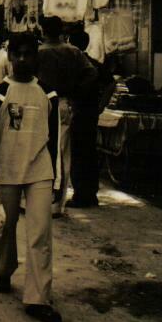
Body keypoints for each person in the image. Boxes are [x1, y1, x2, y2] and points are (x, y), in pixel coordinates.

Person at [0, 32, 63, 322]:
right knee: (5, 226)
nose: (23, 59)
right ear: (11, 57)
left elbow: (55, 142)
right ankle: (4, 270)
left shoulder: (48, 94)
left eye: (29, 54)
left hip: (39, 171)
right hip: (7, 170)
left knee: (40, 234)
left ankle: (37, 298)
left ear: (36, 57)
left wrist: (57, 182)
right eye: (18, 54)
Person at [37, 16, 97, 216]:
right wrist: (76, 91)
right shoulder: (73, 52)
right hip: (64, 102)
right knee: (62, 153)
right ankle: (56, 204)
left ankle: (37, 199)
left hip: (39, 102)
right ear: (61, 31)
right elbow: (91, 74)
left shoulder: (38, 53)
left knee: (38, 149)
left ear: (43, 31)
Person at [67, 31, 114, 208]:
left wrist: (100, 105)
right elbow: (111, 83)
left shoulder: (76, 64)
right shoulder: (93, 62)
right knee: (89, 152)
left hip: (79, 111)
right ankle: (90, 194)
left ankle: (81, 195)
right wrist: (101, 105)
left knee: (79, 153)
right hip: (89, 112)